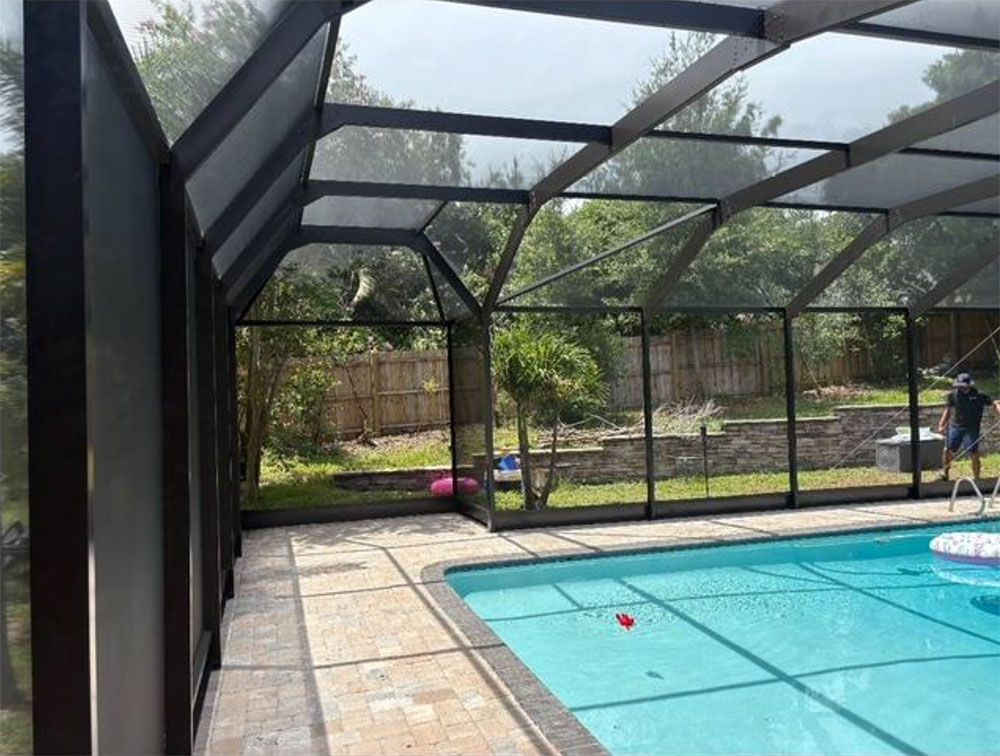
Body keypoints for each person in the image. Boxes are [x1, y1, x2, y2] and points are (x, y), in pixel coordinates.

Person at [937, 373, 1000, 480]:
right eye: (959, 385)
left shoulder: (979, 395)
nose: (962, 387)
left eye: (964, 385)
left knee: (973, 452)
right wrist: (942, 424)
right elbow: (948, 410)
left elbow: (994, 403)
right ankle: (945, 473)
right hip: (956, 426)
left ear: (969, 385)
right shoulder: (953, 395)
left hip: (972, 428)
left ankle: (977, 478)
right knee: (948, 449)